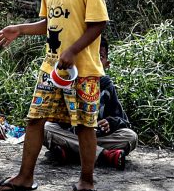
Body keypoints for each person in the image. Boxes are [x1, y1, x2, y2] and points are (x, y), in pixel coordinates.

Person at [0, 0, 110, 191]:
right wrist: (19, 29)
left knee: (84, 126)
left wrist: (72, 51)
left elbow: (98, 24)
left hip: (83, 72)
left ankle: (87, 180)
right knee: (35, 120)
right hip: (51, 69)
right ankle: (25, 177)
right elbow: (49, 23)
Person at [45, 36, 137, 169]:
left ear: (106, 63)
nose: (94, 61)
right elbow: (54, 118)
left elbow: (124, 121)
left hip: (97, 138)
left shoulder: (106, 85)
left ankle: (71, 152)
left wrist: (110, 123)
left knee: (130, 137)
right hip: (73, 134)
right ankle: (104, 155)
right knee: (46, 128)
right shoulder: (69, 81)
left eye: (100, 57)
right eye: (90, 56)